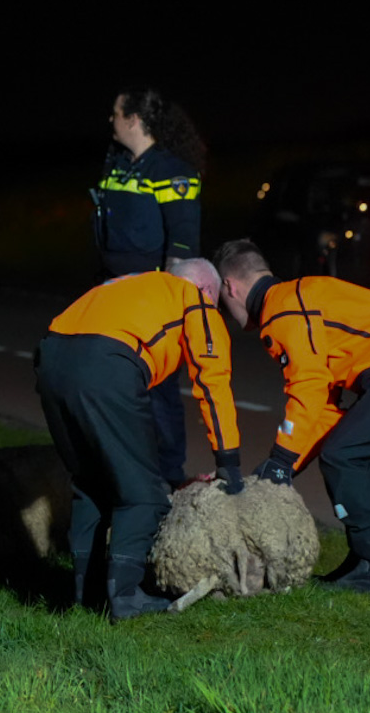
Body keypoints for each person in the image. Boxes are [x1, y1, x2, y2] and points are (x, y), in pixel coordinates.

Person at [212, 239, 370, 595]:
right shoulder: (295, 298)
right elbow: (324, 410)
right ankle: (367, 561)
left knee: (345, 457)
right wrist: (276, 471)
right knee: (342, 451)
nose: (225, 310)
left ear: (230, 287)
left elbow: (309, 388)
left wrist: (282, 461)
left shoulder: (282, 312)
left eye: (221, 303)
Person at [36, 259, 241, 619]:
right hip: (108, 364)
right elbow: (213, 382)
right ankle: (128, 598)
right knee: (144, 494)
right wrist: (228, 462)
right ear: (208, 290)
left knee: (91, 485)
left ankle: (87, 593)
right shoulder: (193, 299)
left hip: (51, 360)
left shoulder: (130, 283)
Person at [92, 88, 206, 488]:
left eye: (116, 113)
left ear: (134, 120)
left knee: (159, 391)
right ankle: (126, 469)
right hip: (112, 296)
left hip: (151, 301)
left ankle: (169, 476)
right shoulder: (117, 166)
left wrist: (168, 309)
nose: (111, 120)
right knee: (115, 384)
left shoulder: (172, 172)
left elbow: (182, 246)